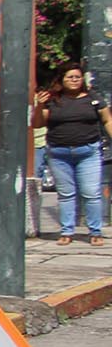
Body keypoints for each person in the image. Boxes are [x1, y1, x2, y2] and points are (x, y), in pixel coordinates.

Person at [30, 62, 112, 246]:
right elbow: (37, 124)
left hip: (88, 152)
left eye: (77, 77)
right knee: (66, 194)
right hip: (59, 153)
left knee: (91, 193)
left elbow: (107, 120)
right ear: (62, 79)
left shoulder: (93, 99)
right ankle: (67, 232)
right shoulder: (52, 100)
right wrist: (39, 105)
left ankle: (95, 232)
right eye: (70, 77)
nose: (74, 80)